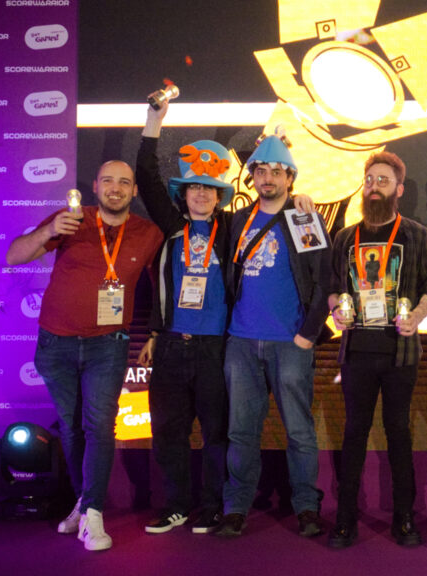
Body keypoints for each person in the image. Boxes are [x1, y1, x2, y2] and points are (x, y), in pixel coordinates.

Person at [134, 103, 315, 534]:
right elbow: (147, 178)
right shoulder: (198, 226)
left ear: (221, 195)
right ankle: (204, 507)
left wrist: (304, 200)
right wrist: (154, 121)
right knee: (198, 432)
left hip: (245, 344)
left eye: (209, 188)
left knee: (251, 432)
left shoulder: (261, 223)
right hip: (204, 344)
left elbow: (316, 267)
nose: (201, 194)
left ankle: (260, 508)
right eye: (194, 188)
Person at [6, 161, 163, 551]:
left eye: (124, 182)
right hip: (56, 342)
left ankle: (93, 513)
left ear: (134, 191)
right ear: (95, 185)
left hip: (107, 345)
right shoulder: (69, 219)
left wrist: (158, 332)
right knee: (71, 427)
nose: (115, 188)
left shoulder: (148, 233)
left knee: (99, 425)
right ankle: (84, 501)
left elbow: (165, 284)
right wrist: (47, 232)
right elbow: (14, 256)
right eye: (108, 180)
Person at [215, 134, 332, 539]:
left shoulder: (302, 218)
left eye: (276, 172)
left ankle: (305, 507)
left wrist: (307, 336)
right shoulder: (237, 220)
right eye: (260, 171)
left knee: (299, 430)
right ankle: (236, 507)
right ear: (252, 177)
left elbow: (323, 282)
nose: (267, 178)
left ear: (290, 177)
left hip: (289, 343)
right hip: (241, 341)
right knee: (241, 430)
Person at [326, 151, 427, 548]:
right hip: (356, 352)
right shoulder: (344, 237)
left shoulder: (416, 235)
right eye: (370, 179)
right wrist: (337, 308)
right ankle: (345, 519)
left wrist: (417, 317)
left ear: (399, 190)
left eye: (383, 180)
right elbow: (334, 287)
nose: (374, 186)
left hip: (400, 353)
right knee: (354, 432)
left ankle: (404, 518)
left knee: (398, 433)